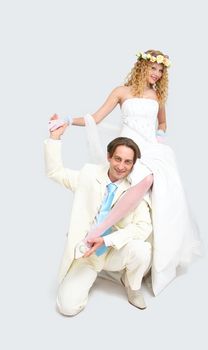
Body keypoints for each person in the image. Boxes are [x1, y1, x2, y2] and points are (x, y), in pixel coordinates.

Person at [49, 49, 202, 296]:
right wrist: (67, 120)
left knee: (154, 186)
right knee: (129, 185)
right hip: (129, 146)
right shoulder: (122, 91)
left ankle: (138, 255)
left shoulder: (157, 96)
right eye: (154, 69)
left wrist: (159, 136)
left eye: (161, 71)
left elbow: (162, 123)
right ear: (142, 67)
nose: (157, 74)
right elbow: (95, 117)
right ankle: (101, 238)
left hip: (150, 148)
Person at [44, 122, 153, 315]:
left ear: (134, 164)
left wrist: (107, 239)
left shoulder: (137, 188)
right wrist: (55, 138)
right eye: (117, 159)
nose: (121, 166)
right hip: (87, 255)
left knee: (142, 250)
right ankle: (90, 276)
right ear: (109, 157)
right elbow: (56, 173)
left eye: (128, 162)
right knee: (67, 308)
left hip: (114, 251)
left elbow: (143, 228)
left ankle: (131, 286)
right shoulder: (89, 174)